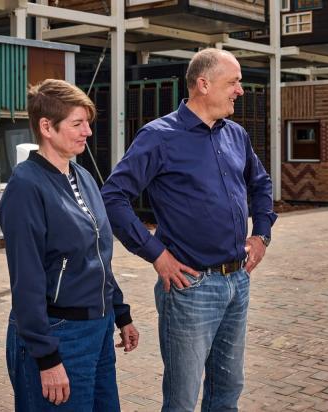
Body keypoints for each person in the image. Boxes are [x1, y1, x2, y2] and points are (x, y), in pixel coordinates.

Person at [101, 48, 277, 411]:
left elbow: (261, 184)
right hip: (190, 287)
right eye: (234, 82)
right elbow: (113, 197)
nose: (239, 91)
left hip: (237, 281)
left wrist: (261, 234)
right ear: (203, 84)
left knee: (228, 390)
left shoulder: (236, 135)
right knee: (181, 400)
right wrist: (156, 254)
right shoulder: (159, 136)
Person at [0, 79, 139, 411]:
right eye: (77, 123)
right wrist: (47, 358)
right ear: (47, 126)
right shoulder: (25, 187)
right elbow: (26, 281)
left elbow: (96, 256)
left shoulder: (84, 177)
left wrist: (120, 314)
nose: (87, 132)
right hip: (59, 335)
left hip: (99, 330)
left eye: (87, 123)